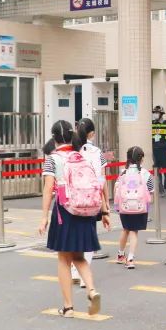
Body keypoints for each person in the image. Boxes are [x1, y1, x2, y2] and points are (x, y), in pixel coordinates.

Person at [38, 120, 108, 317]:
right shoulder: (82, 156)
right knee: (79, 256)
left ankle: (68, 307)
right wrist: (104, 211)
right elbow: (97, 184)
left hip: (65, 211)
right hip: (86, 210)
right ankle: (91, 290)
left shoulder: (53, 159)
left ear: (54, 138)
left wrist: (44, 217)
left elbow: (48, 190)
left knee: (63, 258)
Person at [69, 118, 104, 288]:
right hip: (91, 198)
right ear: (92, 134)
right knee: (89, 236)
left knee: (74, 234)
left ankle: (74, 271)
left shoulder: (71, 151)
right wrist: (105, 205)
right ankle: (84, 276)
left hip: (73, 198)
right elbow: (101, 178)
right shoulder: (96, 152)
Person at [116, 146, 155, 269]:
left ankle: (120, 255)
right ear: (141, 158)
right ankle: (130, 258)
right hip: (139, 206)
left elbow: (117, 188)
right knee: (134, 231)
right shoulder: (145, 174)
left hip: (124, 206)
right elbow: (151, 191)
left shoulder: (123, 172)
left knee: (126, 229)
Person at [151, 106, 166, 194]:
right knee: (156, 170)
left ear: (161, 114)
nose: (155, 114)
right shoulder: (151, 124)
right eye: (154, 113)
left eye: (157, 113)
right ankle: (159, 188)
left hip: (164, 150)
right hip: (154, 150)